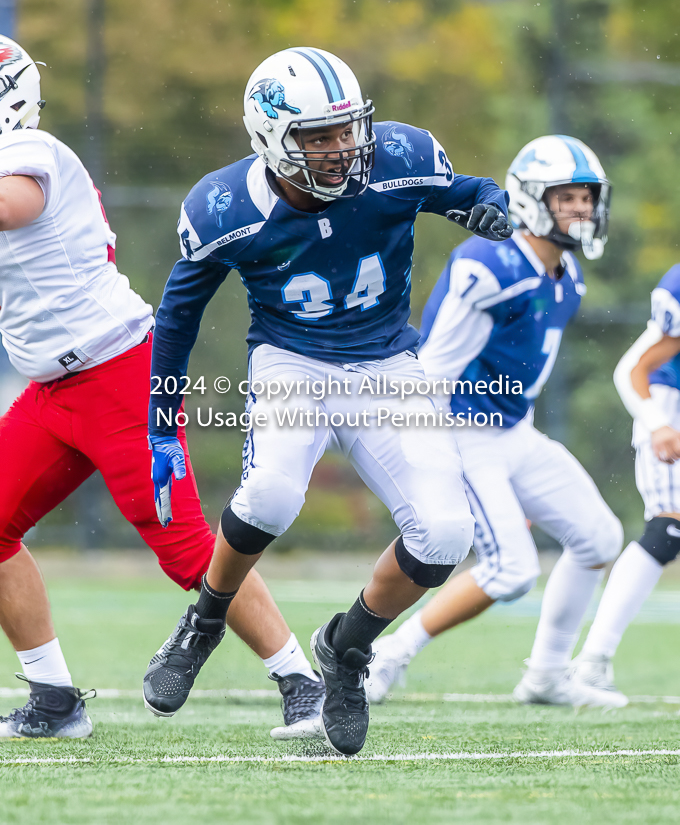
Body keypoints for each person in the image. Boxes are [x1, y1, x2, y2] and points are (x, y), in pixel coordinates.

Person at [142, 46, 512, 756]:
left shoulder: (397, 159)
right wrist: (162, 424)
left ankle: (346, 650)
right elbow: (178, 317)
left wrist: (488, 210)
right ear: (272, 138)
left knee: (446, 534)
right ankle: (206, 621)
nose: (342, 148)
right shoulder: (227, 208)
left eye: (346, 130)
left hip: (387, 363)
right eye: (319, 135)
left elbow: (470, 188)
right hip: (293, 360)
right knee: (273, 495)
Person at [0, 36, 322, 740]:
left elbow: (15, 205)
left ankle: (300, 679)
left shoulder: (33, 152)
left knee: (183, 548)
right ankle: (54, 700)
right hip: (54, 389)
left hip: (119, 374)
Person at [366, 135, 626, 708]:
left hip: (514, 430)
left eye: (587, 197)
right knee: (511, 571)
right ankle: (389, 655)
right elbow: (431, 367)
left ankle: (547, 676)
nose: (582, 209)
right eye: (568, 197)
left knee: (600, 538)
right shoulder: (490, 264)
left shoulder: (567, 274)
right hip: (463, 432)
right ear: (531, 200)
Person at [570, 264, 680, 700]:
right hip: (669, 404)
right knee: (669, 527)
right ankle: (594, 660)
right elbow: (632, 368)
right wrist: (657, 423)